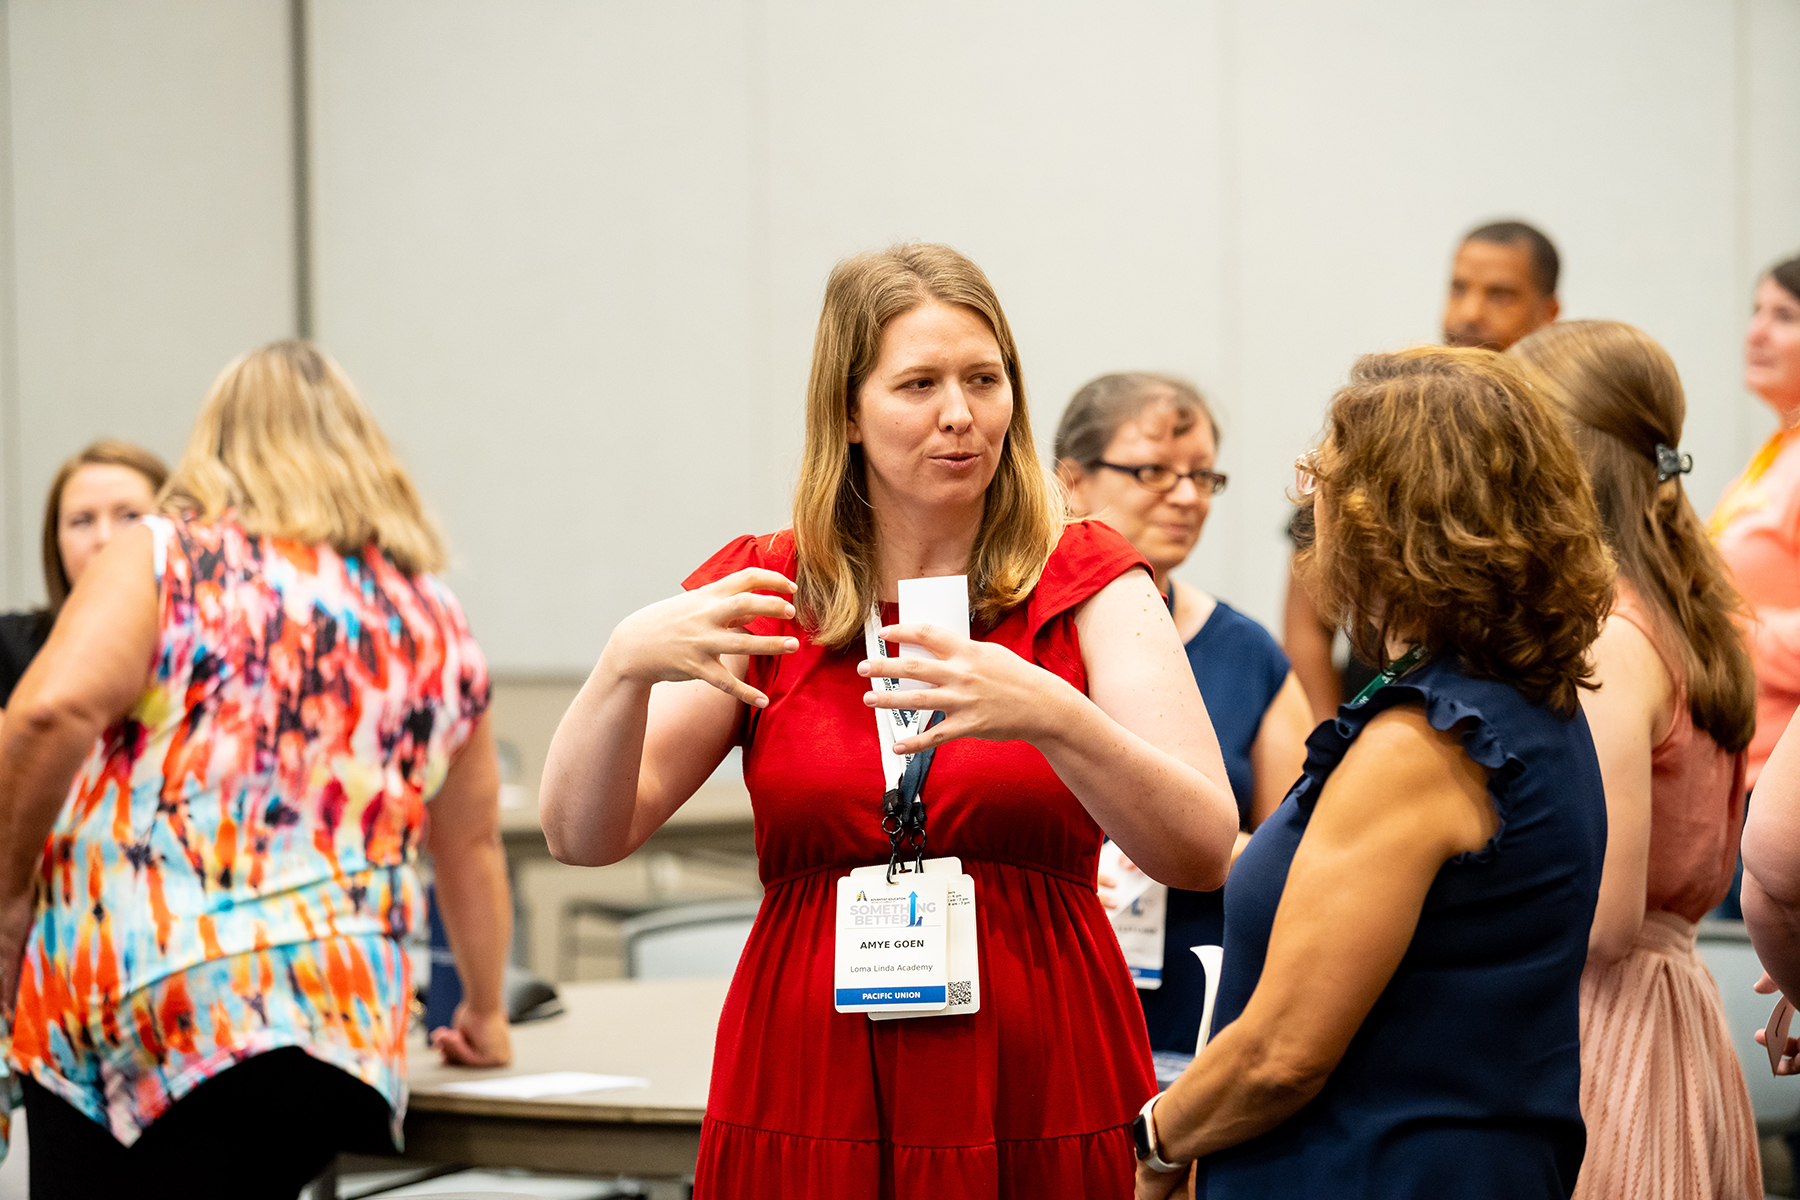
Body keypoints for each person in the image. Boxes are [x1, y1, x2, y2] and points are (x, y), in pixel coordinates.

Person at [540, 243, 1239, 1199]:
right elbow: (583, 833)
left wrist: (1054, 716)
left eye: (983, 380)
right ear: (849, 413)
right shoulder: (771, 588)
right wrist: (619, 668)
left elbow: (1202, 847)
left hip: (1037, 1059)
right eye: (918, 383)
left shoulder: (1084, 579)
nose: (960, 413)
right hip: (812, 1066)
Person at [0, 341, 513, 1200]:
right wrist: (486, 1013)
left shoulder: (166, 558)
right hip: (335, 1030)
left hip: (143, 1006)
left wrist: (10, 890)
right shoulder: (429, 611)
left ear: (217, 447)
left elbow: (47, 712)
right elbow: (470, 841)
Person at [1137, 347, 1612, 1199]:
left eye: (1328, 483)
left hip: (1375, 1168)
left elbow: (1281, 1054)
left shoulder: (1425, 743)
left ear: (1383, 520)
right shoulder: (1520, 702)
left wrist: (1153, 1144)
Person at [1512, 321, 1762, 1198]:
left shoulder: (1612, 642)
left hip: (1605, 1030)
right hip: (1674, 1010)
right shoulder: (1688, 614)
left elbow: (1605, 919)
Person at [1054, 372, 1310, 1050]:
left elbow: (1305, 861)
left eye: (1204, 477)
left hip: (1196, 1011)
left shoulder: (1247, 652)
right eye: (1153, 472)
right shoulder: (1003, 638)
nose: (1189, 497)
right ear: (1069, 481)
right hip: (1043, 984)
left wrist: (1195, 837)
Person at [1283, 219, 1564, 722]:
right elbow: (1307, 617)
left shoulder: (1560, 436)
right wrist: (1329, 742)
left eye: (1499, 294)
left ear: (1549, 313)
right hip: (1378, 710)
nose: (1470, 312)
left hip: (1513, 719)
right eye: (1459, 288)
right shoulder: (1389, 417)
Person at [1710, 255, 1800, 791]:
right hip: (1744, 764)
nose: (1756, 332)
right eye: (1756, 311)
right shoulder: (1778, 449)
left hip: (1779, 777)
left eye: (1785, 317)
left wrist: (1720, 629)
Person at [0, 439, 167, 711]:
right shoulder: (8, 647)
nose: (104, 538)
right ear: (55, 542)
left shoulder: (211, 649)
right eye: (82, 521)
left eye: (129, 516)